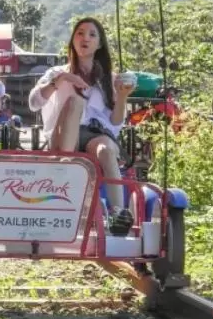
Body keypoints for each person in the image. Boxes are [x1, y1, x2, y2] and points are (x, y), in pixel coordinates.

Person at [27, 17, 135, 236]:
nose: (85, 38)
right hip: (64, 136)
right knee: (75, 102)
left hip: (96, 135)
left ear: (99, 44)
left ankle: (118, 213)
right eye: (80, 33)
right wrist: (62, 80)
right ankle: (63, 182)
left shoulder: (110, 79)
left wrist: (122, 96)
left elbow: (115, 122)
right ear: (73, 40)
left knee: (105, 149)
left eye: (92, 34)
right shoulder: (57, 73)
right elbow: (33, 103)